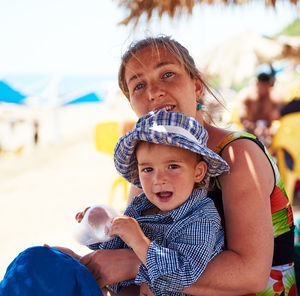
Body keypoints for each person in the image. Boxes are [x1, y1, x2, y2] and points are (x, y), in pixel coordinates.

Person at [0, 36, 297, 296]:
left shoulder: (235, 155)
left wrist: (131, 264)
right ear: (132, 103)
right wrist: (84, 264)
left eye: (167, 74)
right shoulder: (149, 167)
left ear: (196, 86)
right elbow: (139, 247)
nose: (153, 92)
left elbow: (252, 275)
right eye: (138, 85)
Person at [90, 109, 229, 295]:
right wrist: (99, 229)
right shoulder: (141, 205)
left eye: (172, 166)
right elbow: (112, 253)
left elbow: (184, 273)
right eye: (148, 169)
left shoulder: (201, 218)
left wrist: (139, 241)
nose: (158, 179)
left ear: (198, 172)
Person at [239, 69, 283, 147]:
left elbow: (279, 118)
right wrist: (253, 128)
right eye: (261, 85)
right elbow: (242, 118)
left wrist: (271, 130)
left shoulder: (276, 98)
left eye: (265, 86)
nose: (263, 88)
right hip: (250, 131)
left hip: (268, 134)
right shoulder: (247, 96)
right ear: (257, 84)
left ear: (270, 85)